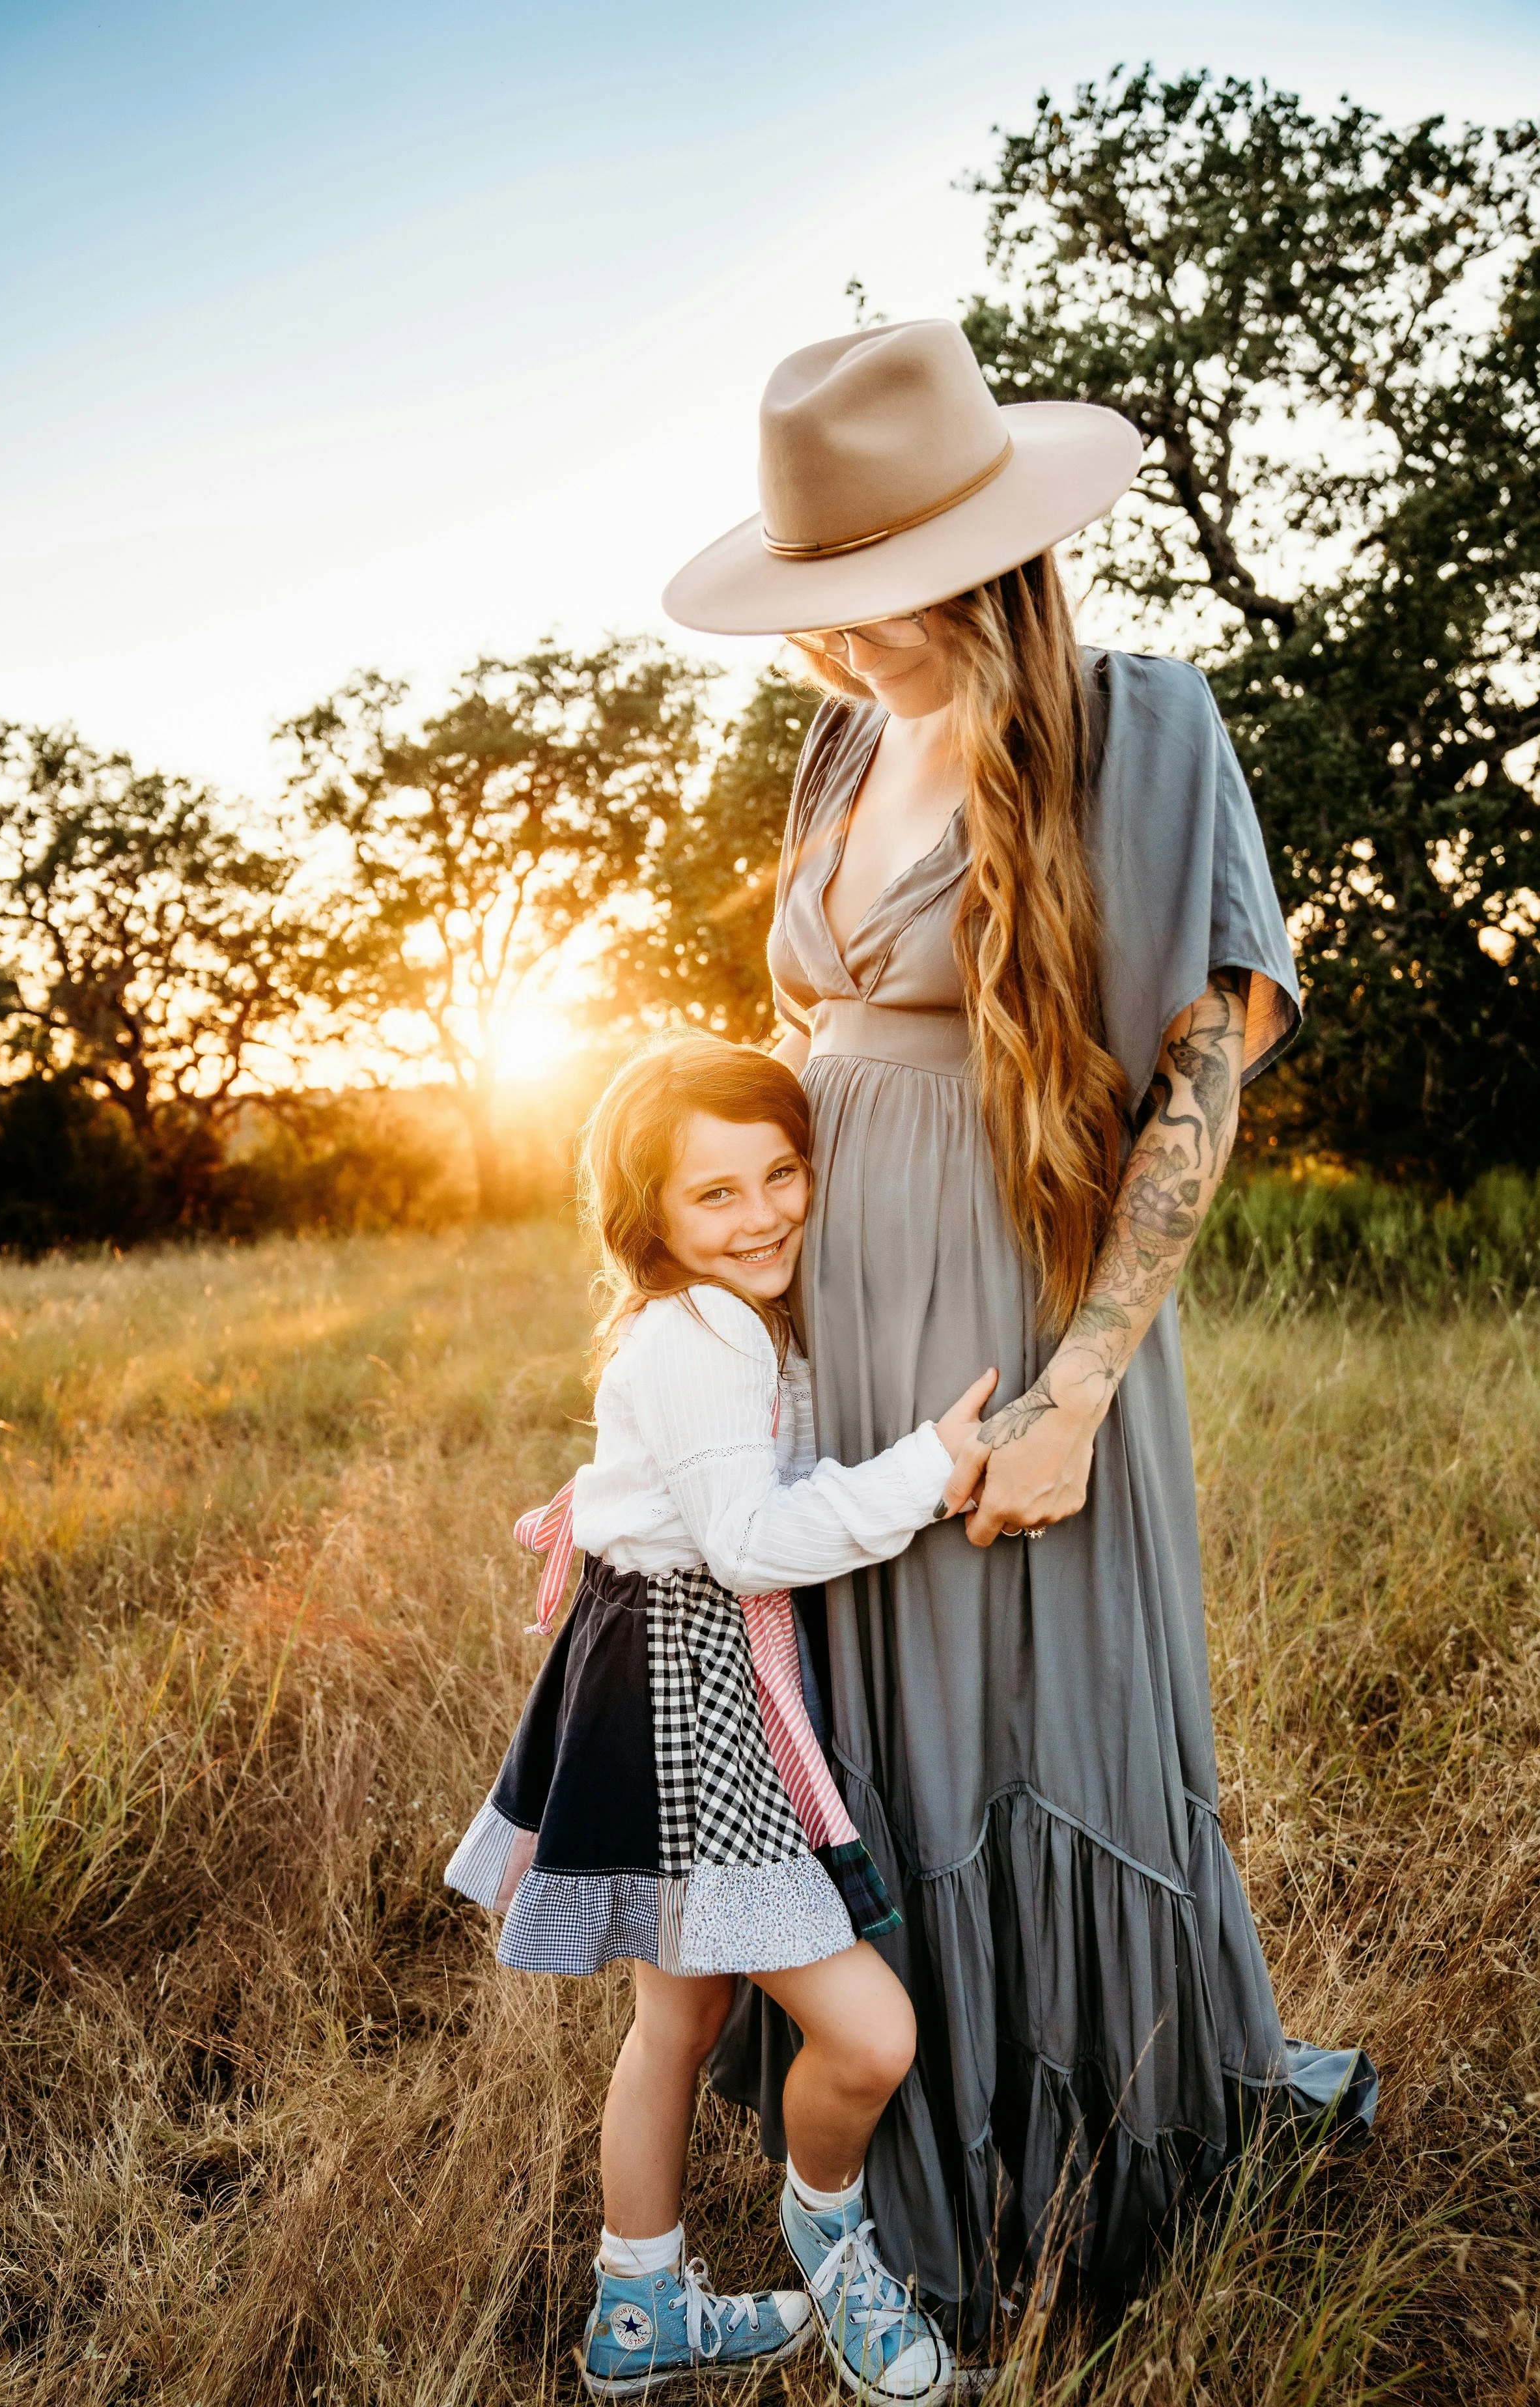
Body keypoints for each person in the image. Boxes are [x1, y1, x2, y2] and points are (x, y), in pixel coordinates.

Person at [663, 319, 1376, 2333]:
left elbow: (1196, 1079)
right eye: (825, 597)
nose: (851, 641)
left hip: (1019, 1322)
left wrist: (1074, 1393)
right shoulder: (831, 745)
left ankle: (1081, 2183)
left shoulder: (1138, 724)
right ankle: (885, 2136)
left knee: (1030, 1722)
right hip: (832, 1329)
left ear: (990, 544)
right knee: (871, 1729)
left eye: (885, 593)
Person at [447, 1034, 999, 2401]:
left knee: (676, 2028)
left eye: (778, 1175)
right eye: (714, 1196)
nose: (759, 1215)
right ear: (651, 1219)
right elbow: (749, 1543)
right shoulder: (697, 1337)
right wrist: (930, 1468)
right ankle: (830, 2232)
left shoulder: (730, 1318)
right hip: (685, 1700)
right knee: (869, 2036)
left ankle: (635, 2317)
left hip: (655, 1673)